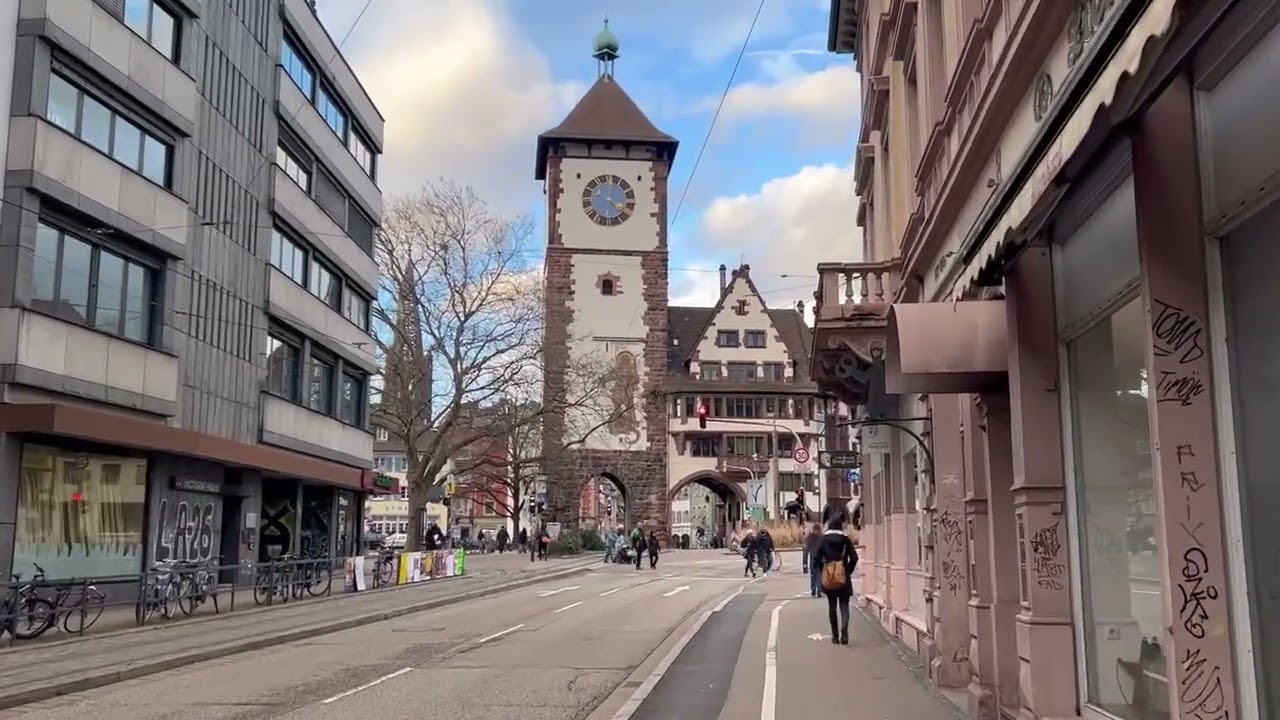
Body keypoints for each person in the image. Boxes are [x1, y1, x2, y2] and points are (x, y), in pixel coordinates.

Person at [814, 518, 858, 644]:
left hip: (829, 578)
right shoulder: (845, 540)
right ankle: (845, 631)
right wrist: (847, 570)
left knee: (832, 607)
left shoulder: (824, 540)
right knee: (844, 605)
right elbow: (854, 557)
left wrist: (823, 569)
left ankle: (835, 636)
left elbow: (816, 559)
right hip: (843, 579)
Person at [803, 522, 824, 597]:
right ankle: (819, 591)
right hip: (821, 559)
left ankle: (813, 590)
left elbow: (806, 551)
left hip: (812, 559)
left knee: (813, 575)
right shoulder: (822, 537)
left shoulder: (809, 537)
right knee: (820, 575)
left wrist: (804, 562)